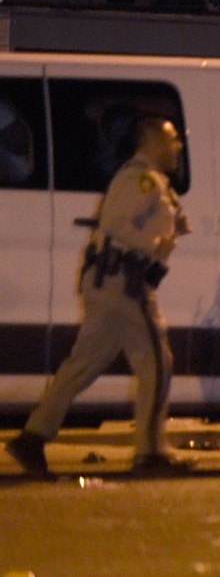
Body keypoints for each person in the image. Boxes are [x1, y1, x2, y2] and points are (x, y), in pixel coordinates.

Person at [5, 117, 191, 478]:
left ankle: (32, 437)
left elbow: (128, 223)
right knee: (157, 363)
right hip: (125, 284)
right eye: (171, 139)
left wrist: (170, 229)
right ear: (151, 141)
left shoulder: (148, 181)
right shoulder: (142, 179)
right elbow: (116, 226)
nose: (178, 146)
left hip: (109, 283)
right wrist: (157, 245)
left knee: (83, 364)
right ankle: (150, 452)